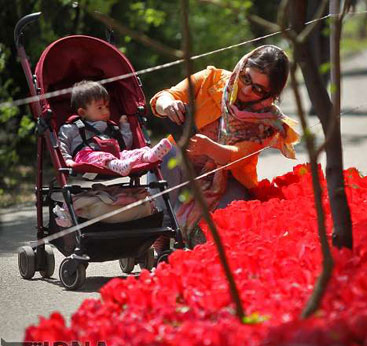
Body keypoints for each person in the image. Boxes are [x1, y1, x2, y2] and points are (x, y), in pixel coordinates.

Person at [148, 45, 300, 249]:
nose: (247, 90)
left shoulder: (267, 121)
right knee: (165, 155)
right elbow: (164, 97)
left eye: (258, 89)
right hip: (179, 171)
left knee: (227, 220)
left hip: (225, 182)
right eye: (246, 79)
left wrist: (210, 148)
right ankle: (164, 225)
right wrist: (168, 105)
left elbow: (240, 156)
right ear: (242, 66)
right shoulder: (211, 79)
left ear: (270, 95)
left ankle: (193, 237)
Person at [58, 80, 172, 176]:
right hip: (86, 158)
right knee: (98, 156)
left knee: (129, 153)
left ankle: (147, 156)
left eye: (107, 106)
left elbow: (123, 145)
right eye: (100, 107)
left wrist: (124, 127)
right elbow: (62, 144)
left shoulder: (111, 127)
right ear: (82, 112)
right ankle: (117, 164)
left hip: (116, 157)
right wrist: (67, 160)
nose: (106, 111)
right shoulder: (72, 128)